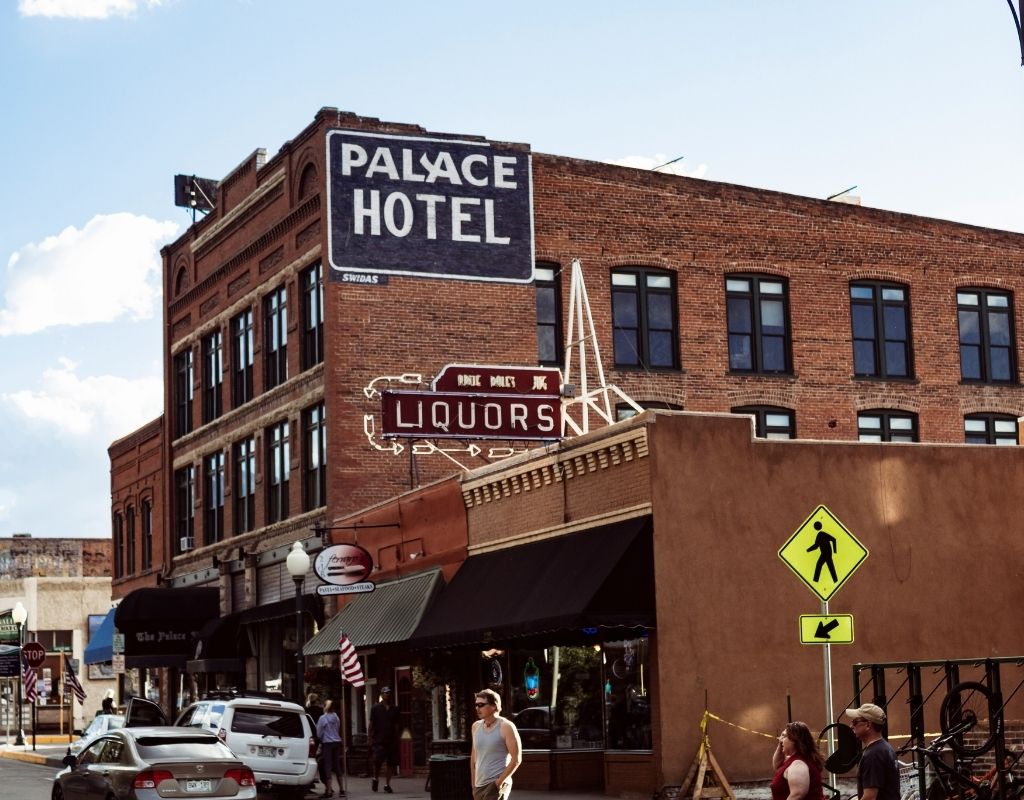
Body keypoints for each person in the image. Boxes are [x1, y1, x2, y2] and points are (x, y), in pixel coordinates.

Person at [470, 689, 522, 800]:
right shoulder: (476, 726)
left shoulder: (506, 726)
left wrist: (498, 783)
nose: (477, 708)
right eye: (476, 705)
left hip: (496, 783)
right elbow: (474, 757)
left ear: (494, 706)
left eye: (481, 705)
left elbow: (516, 759)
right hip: (479, 785)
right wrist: (473, 784)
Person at [845, 703, 899, 800]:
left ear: (868, 725)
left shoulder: (873, 755)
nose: (851, 726)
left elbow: (869, 797)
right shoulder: (884, 748)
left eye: (855, 722)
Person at [771, 721, 825, 800]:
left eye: (784, 736)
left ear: (794, 740)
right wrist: (781, 744)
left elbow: (797, 795)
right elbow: (777, 766)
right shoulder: (795, 759)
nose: (781, 739)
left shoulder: (799, 764)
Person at [368, 686, 400, 793]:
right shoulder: (375, 708)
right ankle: (375, 778)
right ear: (381, 694)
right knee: (378, 761)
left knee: (391, 763)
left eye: (389, 693)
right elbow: (371, 724)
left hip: (391, 740)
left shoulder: (394, 709)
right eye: (385, 693)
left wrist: (397, 738)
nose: (387, 695)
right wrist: (369, 738)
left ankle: (387, 784)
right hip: (379, 739)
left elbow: (396, 725)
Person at [316, 699, 346, 798]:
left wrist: (322, 737)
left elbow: (319, 733)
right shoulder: (336, 717)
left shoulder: (322, 718)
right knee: (337, 765)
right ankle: (341, 789)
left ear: (325, 707)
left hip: (327, 743)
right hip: (336, 742)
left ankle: (329, 790)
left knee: (327, 766)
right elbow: (338, 728)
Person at [306, 694, 327, 792]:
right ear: (317, 700)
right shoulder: (320, 711)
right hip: (318, 737)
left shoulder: (306, 710)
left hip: (308, 737)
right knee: (316, 758)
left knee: (309, 758)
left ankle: (309, 780)